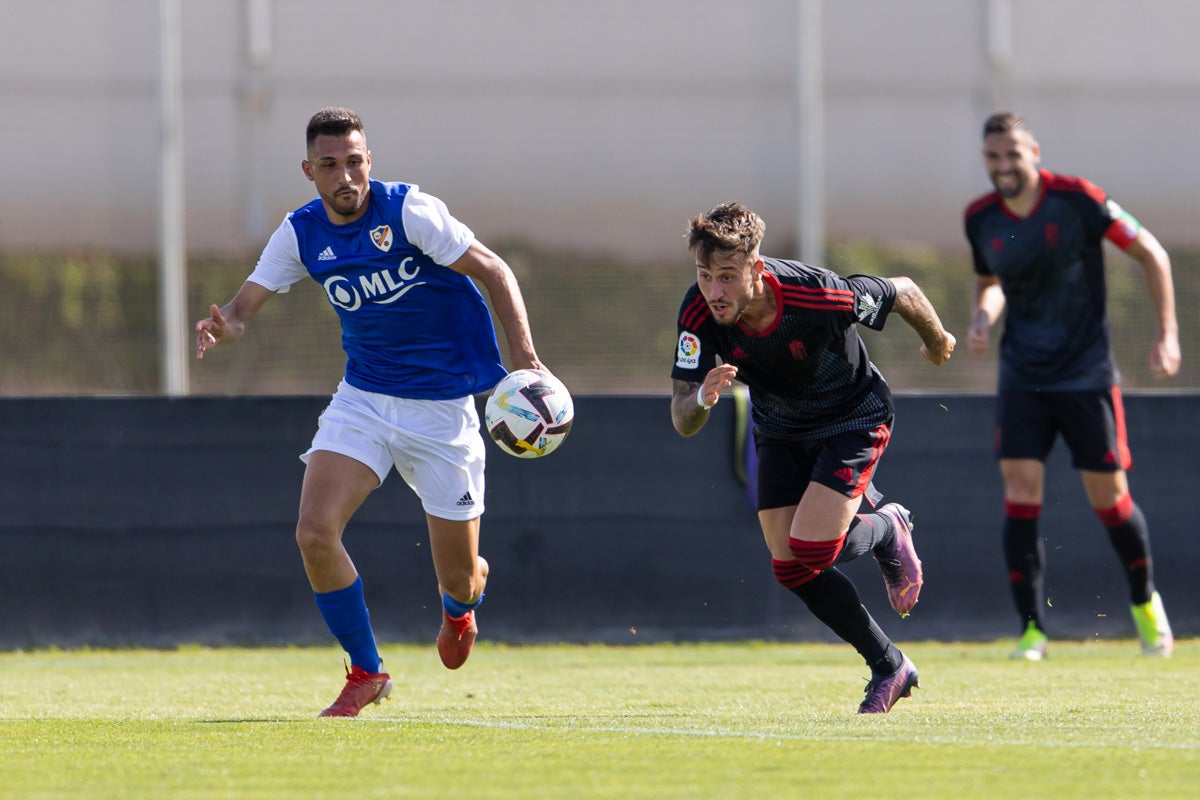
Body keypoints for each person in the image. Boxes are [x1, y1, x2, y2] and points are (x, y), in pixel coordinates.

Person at [195, 107, 545, 716]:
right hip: (364, 399)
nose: (345, 176)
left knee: (459, 580)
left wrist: (526, 364)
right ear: (309, 171)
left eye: (354, 162)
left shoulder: (410, 211)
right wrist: (224, 326)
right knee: (313, 532)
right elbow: (244, 309)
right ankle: (366, 670)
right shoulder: (301, 232)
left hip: (442, 410)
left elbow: (495, 269)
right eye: (330, 165)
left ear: (369, 161)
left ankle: (462, 607)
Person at [670, 202, 956, 714]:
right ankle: (890, 665)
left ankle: (889, 528)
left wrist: (936, 340)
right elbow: (681, 416)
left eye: (728, 277)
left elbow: (904, 292)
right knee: (791, 567)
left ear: (757, 269)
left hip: (853, 417)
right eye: (706, 275)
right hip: (780, 426)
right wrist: (702, 401)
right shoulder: (698, 313)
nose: (715, 291)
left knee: (812, 550)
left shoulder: (816, 293)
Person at [964, 112, 1180, 660]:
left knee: (1109, 499)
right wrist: (983, 317)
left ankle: (1145, 604)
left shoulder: (1078, 199)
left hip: (1085, 375)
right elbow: (991, 284)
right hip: (1022, 376)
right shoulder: (980, 218)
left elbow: (1151, 252)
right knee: (1020, 493)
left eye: (1013, 154)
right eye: (994, 157)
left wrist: (1168, 334)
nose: (1004, 166)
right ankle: (1032, 631)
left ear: (1034, 151)